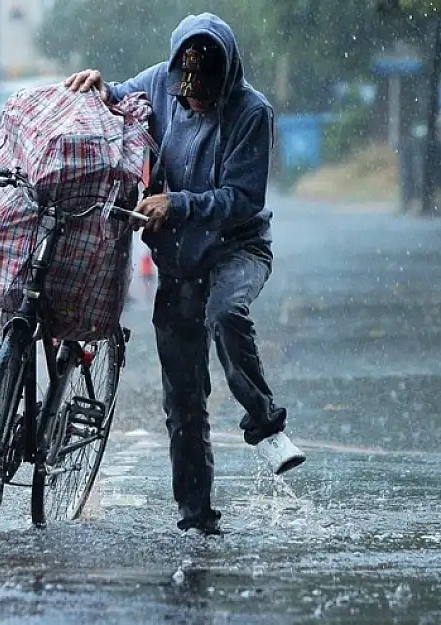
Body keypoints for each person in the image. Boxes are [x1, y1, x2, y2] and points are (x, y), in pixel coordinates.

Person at [65, 12, 305, 536]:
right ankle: (197, 518)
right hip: (178, 259)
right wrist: (99, 87)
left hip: (236, 248)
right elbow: (122, 98)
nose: (194, 101)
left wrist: (178, 204)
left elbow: (242, 199)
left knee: (226, 313)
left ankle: (264, 423)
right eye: (186, 93)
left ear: (227, 79)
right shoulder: (160, 82)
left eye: (205, 94)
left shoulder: (252, 113)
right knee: (183, 402)